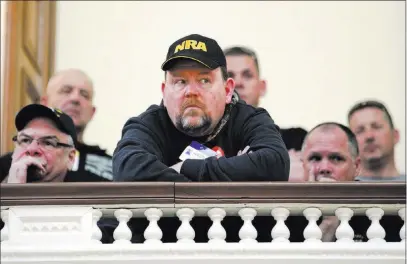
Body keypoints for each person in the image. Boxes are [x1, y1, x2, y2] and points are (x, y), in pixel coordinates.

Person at [113, 34, 289, 182]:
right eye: (180, 82)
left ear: (228, 90)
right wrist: (233, 170)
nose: (191, 92)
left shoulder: (248, 119)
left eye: (204, 81)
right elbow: (128, 171)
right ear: (164, 93)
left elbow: (275, 165)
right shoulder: (148, 125)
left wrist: (184, 168)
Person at [0, 69, 113, 182]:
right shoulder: (7, 165)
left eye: (84, 95)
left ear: (92, 112)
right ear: (44, 102)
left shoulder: (112, 168)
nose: (75, 99)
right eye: (66, 91)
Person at [300, 122, 402, 242]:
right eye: (315, 158)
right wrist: (328, 224)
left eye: (336, 158)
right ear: (303, 165)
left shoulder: (386, 214)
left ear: (357, 167)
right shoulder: (285, 213)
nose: (324, 168)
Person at [223, 46, 307, 181]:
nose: (238, 83)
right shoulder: (202, 142)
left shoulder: (295, 141)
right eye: (230, 76)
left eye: (247, 75)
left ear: (262, 87)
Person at [1, 104, 76, 183]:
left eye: (48, 143)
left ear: (70, 158)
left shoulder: (86, 193)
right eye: (25, 140)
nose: (32, 149)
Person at [348, 100, 405, 181]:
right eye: (360, 130)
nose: (369, 136)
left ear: (395, 136)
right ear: (351, 145)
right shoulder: (341, 191)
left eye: (376, 127)